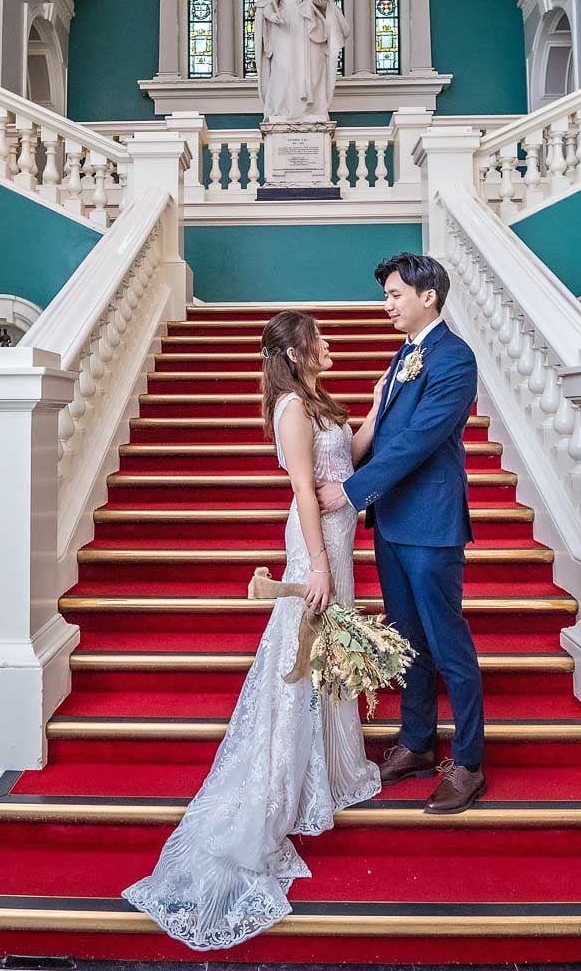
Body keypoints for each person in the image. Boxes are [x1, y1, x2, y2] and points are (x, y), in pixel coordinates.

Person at [122, 310, 382, 950]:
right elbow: (302, 488)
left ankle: (331, 770)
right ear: (292, 354)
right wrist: (318, 564)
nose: (326, 345)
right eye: (314, 340)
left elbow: (346, 459)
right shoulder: (291, 408)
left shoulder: (318, 402)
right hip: (317, 548)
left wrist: (377, 407)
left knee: (326, 661)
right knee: (298, 661)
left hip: (342, 542)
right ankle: (273, 795)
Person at [317, 252, 487, 814]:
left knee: (447, 644)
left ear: (428, 296)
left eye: (394, 295)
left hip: (432, 524)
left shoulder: (454, 359)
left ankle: (467, 762)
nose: (386, 305)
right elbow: (383, 428)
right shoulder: (404, 355)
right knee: (406, 641)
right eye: (387, 295)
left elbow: (420, 439)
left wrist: (351, 488)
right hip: (393, 521)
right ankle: (416, 742)